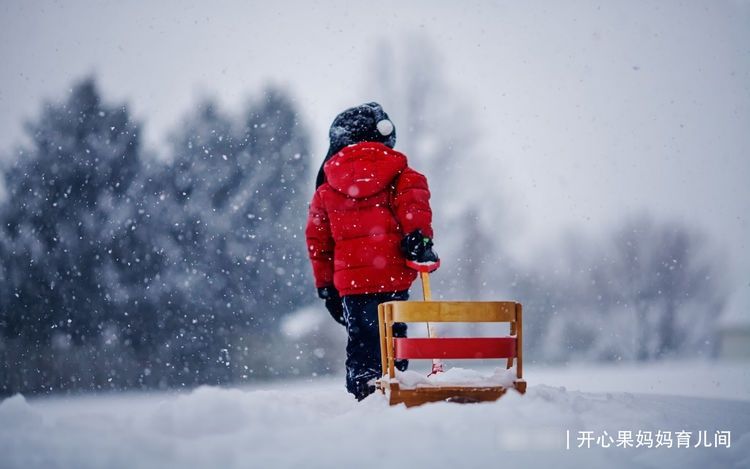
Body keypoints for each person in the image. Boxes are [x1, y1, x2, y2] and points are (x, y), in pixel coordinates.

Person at [305, 102, 439, 400]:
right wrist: (420, 240)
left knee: (363, 341)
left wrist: (326, 287)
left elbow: (319, 243)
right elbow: (414, 207)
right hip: (393, 277)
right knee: (393, 337)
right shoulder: (404, 175)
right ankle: (397, 382)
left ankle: (366, 389)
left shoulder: (325, 191)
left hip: (352, 285)